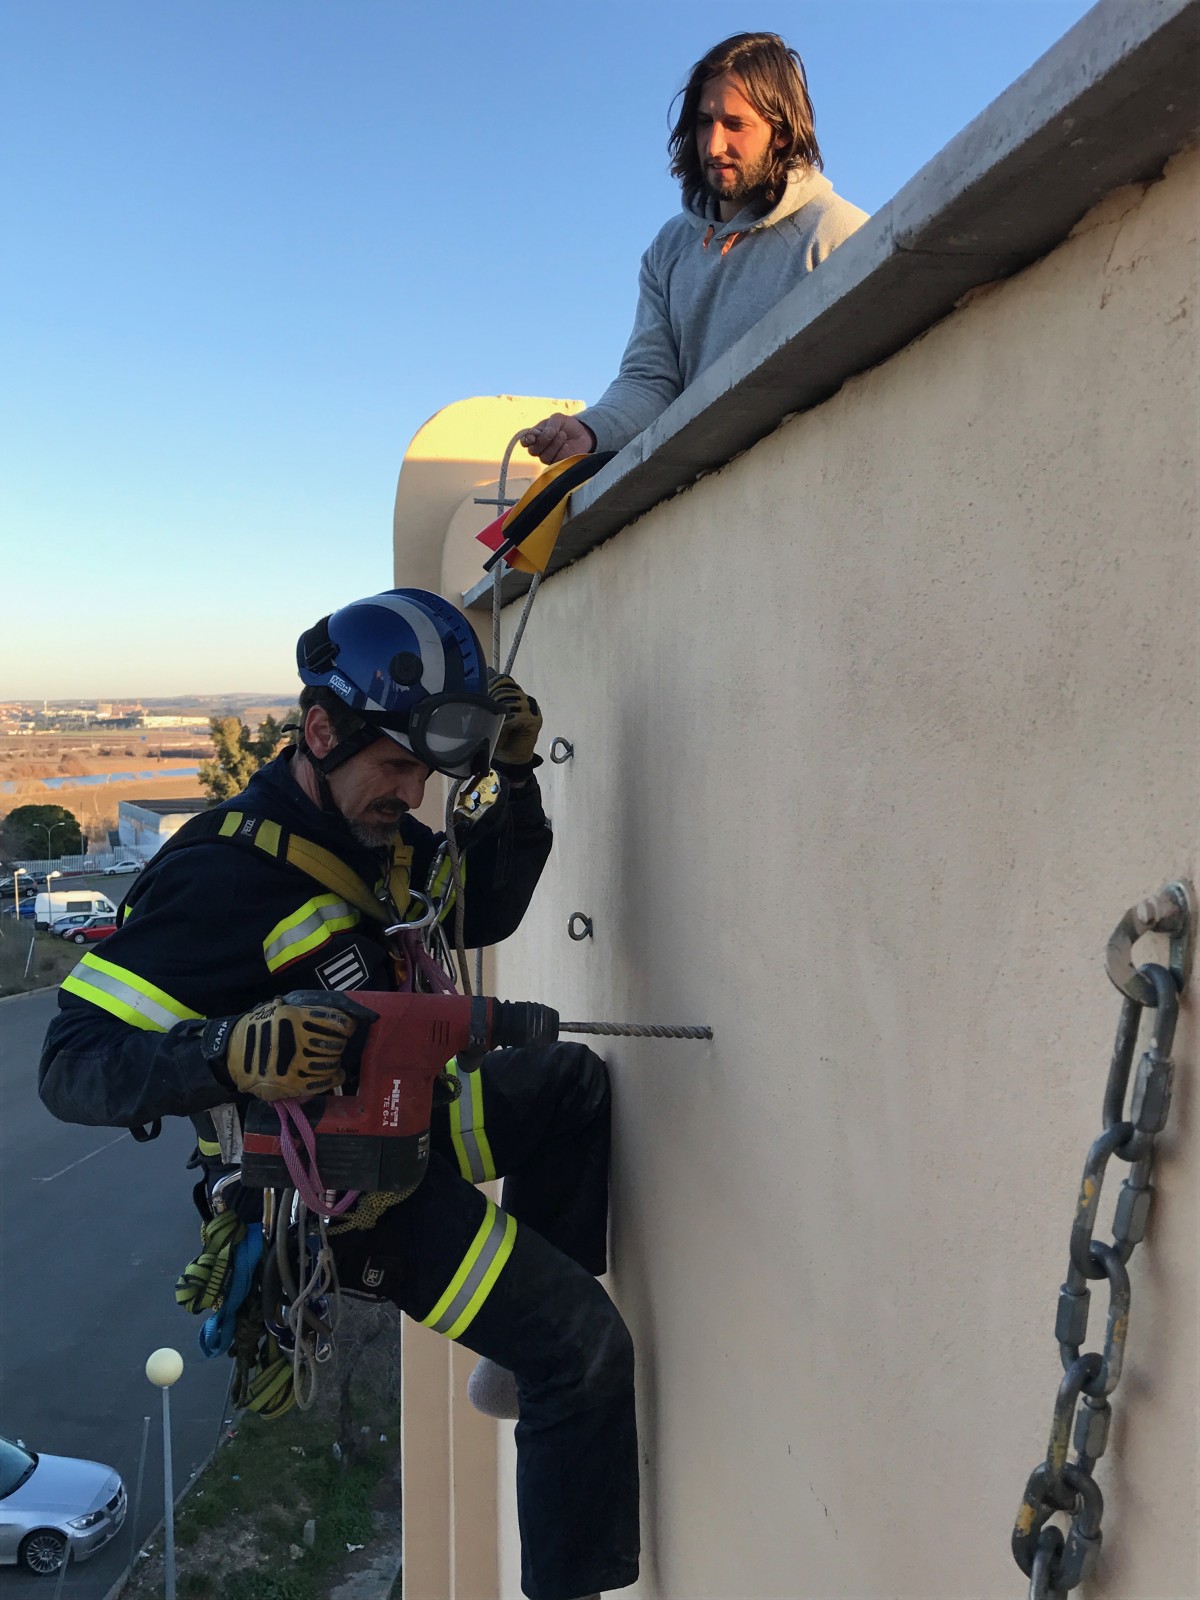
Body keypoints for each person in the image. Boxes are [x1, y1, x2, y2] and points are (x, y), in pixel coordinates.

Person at [38, 587, 637, 1600]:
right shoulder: (218, 877)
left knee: (571, 1088)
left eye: (423, 770)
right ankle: (551, 1386)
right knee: (585, 1344)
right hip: (342, 1195)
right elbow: (71, 1065)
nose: (408, 791)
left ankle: (517, 1361)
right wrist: (228, 1050)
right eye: (392, 765)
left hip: (409, 1116)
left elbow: (478, 910)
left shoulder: (382, 837)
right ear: (320, 728)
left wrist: (517, 777)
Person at [522, 30, 868, 465]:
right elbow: (649, 380)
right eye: (705, 122)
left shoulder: (836, 235)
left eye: (735, 124)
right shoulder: (668, 250)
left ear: (780, 133)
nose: (714, 145)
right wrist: (592, 430)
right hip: (702, 507)